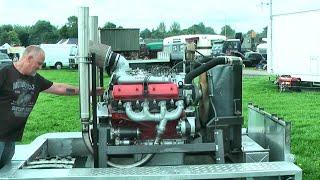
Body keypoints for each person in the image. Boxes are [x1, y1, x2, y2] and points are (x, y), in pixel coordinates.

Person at [0, 45, 104, 168]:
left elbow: (59, 88)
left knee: (4, 170)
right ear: (29, 58)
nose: (40, 67)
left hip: (10, 137)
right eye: (38, 63)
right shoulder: (5, 73)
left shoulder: (36, 79)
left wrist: (88, 91)